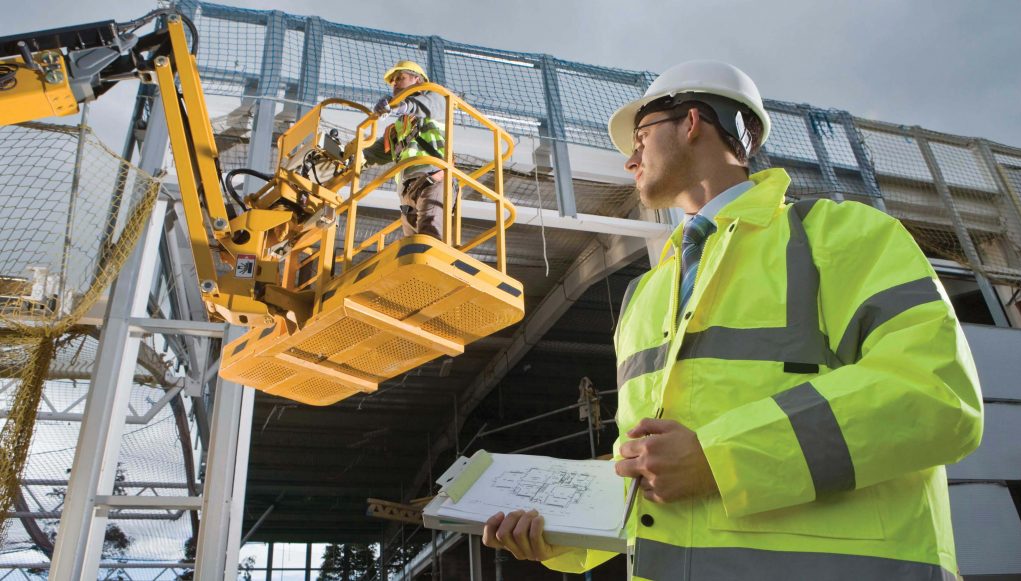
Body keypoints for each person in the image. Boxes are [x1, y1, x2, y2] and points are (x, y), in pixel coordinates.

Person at [481, 60, 983, 580]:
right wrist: (559, 529)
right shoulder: (646, 294)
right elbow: (642, 466)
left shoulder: (839, 236)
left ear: (692, 122)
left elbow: (936, 394)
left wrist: (718, 459)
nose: (631, 161)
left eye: (640, 137)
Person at [360, 60, 448, 239]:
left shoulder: (438, 99)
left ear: (417, 80)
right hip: (407, 194)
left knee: (428, 242)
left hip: (433, 181)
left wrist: (401, 105)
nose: (395, 84)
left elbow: (427, 105)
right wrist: (345, 158)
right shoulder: (398, 128)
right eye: (392, 82)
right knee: (412, 251)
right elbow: (368, 155)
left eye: (400, 78)